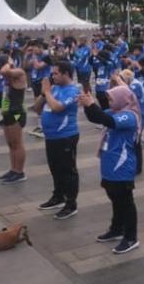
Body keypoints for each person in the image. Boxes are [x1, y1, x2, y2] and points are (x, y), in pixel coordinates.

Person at [80, 85, 140, 254]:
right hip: (109, 163)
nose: (109, 101)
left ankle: (131, 237)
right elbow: (96, 117)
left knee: (125, 201)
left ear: (123, 99)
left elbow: (108, 121)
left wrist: (92, 104)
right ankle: (117, 228)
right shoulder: (115, 111)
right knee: (114, 196)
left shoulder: (129, 116)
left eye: (112, 98)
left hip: (122, 165)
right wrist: (87, 105)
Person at [35, 61, 81, 220]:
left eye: (55, 73)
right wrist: (43, 93)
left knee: (68, 170)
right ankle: (58, 196)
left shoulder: (73, 90)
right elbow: (36, 108)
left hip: (66, 136)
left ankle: (71, 203)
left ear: (66, 74)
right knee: (54, 168)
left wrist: (47, 92)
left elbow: (57, 107)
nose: (52, 76)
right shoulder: (54, 89)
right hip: (51, 136)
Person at [0, 54, 28, 184]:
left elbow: (4, 70)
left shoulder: (18, 72)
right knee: (11, 144)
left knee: (17, 143)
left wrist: (8, 62)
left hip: (17, 113)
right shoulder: (8, 74)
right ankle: (13, 170)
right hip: (8, 113)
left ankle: (20, 172)